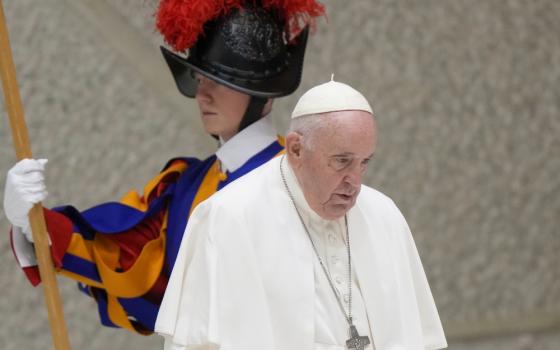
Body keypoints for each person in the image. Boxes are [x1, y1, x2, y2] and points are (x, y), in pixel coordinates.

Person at [3, 0, 325, 334]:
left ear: (264, 93)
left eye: (222, 81)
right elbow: (125, 263)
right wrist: (33, 222)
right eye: (200, 77)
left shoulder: (302, 187)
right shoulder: (187, 186)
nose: (203, 95)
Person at [155, 79, 448, 350]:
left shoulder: (384, 214)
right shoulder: (229, 216)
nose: (355, 182)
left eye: (364, 163)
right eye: (342, 161)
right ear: (296, 149)